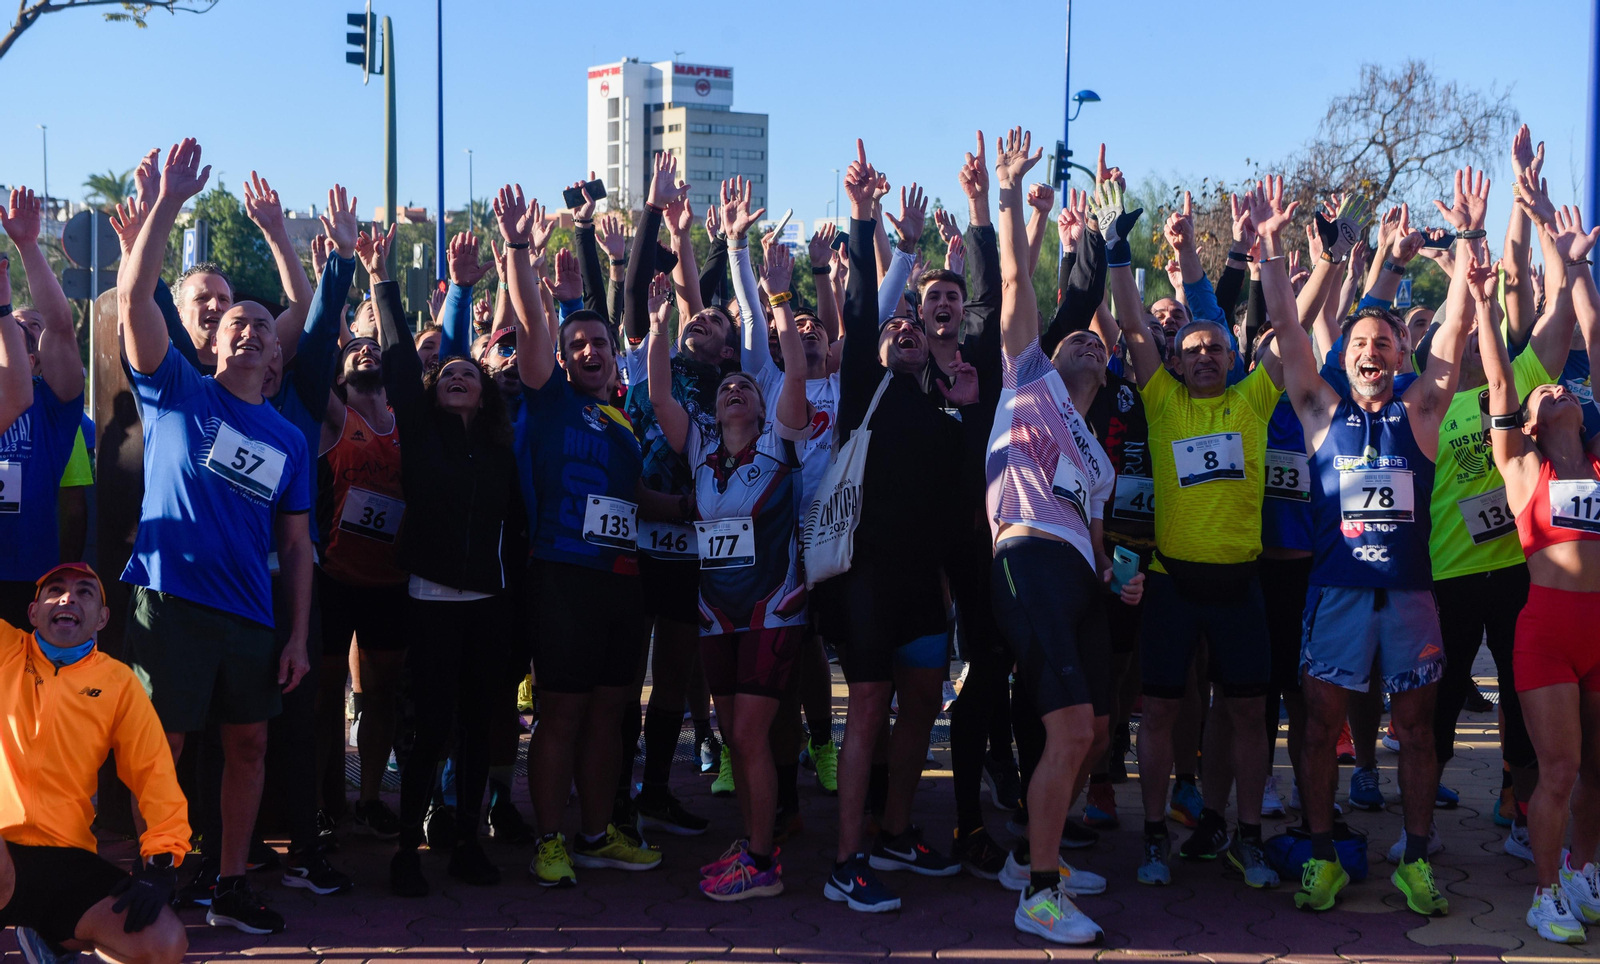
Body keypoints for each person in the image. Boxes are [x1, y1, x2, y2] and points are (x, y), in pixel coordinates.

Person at [1263, 168, 1476, 916]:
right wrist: (1266, 251)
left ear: (1398, 355)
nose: (1371, 351)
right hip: (1336, 593)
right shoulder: (1321, 411)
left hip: (1411, 597)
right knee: (1320, 726)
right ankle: (1322, 856)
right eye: (1359, 342)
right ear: (1344, 357)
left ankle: (1417, 859)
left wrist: (1469, 246)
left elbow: (1452, 337)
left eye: (1383, 342)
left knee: (1416, 731)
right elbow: (1289, 331)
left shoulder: (1418, 411)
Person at [117, 140, 313, 935]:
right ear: (212, 342)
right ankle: (156, 874)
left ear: (274, 356)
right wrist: (165, 205)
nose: (248, 330)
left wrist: (298, 633)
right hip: (169, 603)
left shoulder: (291, 441)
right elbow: (134, 301)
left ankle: (231, 884)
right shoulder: (174, 391)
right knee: (162, 745)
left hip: (251, 617)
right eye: (234, 320)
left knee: (247, 749)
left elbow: (297, 548)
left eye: (262, 325)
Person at [1099, 173, 1283, 889]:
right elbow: (1135, 325)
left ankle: (1246, 834)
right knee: (1163, 715)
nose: (1205, 354)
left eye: (1217, 348)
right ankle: (1153, 839)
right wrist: (1119, 253)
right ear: (1174, 364)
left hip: (1241, 586)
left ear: (1235, 360)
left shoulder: (1256, 401)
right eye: (1194, 349)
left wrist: (1274, 248)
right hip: (1173, 586)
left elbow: (1291, 329)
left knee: (1246, 715)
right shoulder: (1162, 403)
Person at [985, 127, 1142, 944]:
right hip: (1027, 558)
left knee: (1096, 730)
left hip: (1079, 575)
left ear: (1110, 376)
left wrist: (1123, 573)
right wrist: (1010, 191)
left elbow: (1100, 528)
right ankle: (1039, 892)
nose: (1084, 338)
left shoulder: (1101, 457)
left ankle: (1029, 854)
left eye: (1097, 343)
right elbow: (1016, 276)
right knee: (1072, 728)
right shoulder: (1030, 379)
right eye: (1075, 333)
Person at [817, 140, 976, 913]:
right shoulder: (863, 391)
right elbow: (858, 308)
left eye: (916, 329)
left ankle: (897, 827)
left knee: (923, 701)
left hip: (925, 590)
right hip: (868, 580)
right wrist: (866, 219)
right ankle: (846, 859)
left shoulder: (948, 415)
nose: (907, 331)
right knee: (870, 706)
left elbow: (953, 512)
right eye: (895, 330)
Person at [498, 182, 662, 888]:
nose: (592, 349)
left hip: (623, 583)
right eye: (579, 343)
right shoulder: (550, 397)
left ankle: (598, 833)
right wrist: (518, 251)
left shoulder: (621, 418)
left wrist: (696, 510)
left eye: (600, 341)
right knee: (560, 711)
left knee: (610, 711)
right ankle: (551, 841)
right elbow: (535, 327)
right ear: (563, 358)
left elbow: (635, 497)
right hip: (561, 573)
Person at [649, 239, 812, 901]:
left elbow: (794, 375)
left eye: (746, 385)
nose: (736, 390)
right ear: (714, 409)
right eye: (727, 389)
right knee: (733, 736)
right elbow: (660, 390)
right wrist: (660, 318)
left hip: (774, 608)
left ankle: (764, 861)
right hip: (715, 613)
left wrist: (778, 302)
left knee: (749, 734)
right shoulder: (700, 450)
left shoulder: (779, 439)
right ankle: (750, 843)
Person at [373, 216, 527, 896]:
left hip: (490, 608)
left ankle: (467, 840)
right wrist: (383, 282)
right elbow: (406, 362)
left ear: (486, 392)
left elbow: (516, 532)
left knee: (476, 728)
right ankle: (409, 844)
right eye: (449, 374)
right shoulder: (422, 433)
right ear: (433, 395)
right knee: (428, 728)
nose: (459, 376)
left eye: (471, 373)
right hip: (430, 603)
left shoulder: (500, 451)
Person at [1476, 207, 1600, 942]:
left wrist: (1576, 270)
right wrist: (1485, 297)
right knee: (1558, 771)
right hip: (1546, 632)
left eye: (1563, 390)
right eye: (1542, 394)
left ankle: (1587, 870)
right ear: (1527, 423)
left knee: (1599, 773)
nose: (1556, 391)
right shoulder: (1523, 472)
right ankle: (1545, 892)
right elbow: (1497, 378)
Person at [620, 160, 742, 836]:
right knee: (617, 673)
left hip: (690, 542)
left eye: (714, 327)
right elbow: (651, 292)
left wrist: (693, 241)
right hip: (630, 532)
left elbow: (701, 301)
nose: (702, 325)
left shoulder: (724, 384)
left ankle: (657, 790)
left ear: (729, 351)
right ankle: (609, 792)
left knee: (672, 670)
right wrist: (658, 217)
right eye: (696, 323)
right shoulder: (647, 358)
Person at [0, 563, 190, 964]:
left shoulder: (120, 683)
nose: (68, 598)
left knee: (165, 944)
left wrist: (160, 866)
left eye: (85, 592)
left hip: (67, 856)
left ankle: (51, 937)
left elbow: (154, 773)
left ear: (102, 618)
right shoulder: (5, 650)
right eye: (55, 590)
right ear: (33, 613)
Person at [315, 225, 408, 844]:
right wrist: (339, 275)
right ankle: (325, 798)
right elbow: (322, 342)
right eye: (355, 351)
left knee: (380, 699)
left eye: (374, 350)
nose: (365, 353)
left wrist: (383, 278)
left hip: (393, 584)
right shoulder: (333, 414)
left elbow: (409, 346)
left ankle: (370, 795)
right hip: (332, 579)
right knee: (323, 701)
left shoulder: (409, 417)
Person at [0, 188, 86, 625]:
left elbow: (61, 326)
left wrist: (29, 247)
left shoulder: (53, 408)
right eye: (15, 325)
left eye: (32, 328)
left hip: (31, 582)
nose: (26, 331)